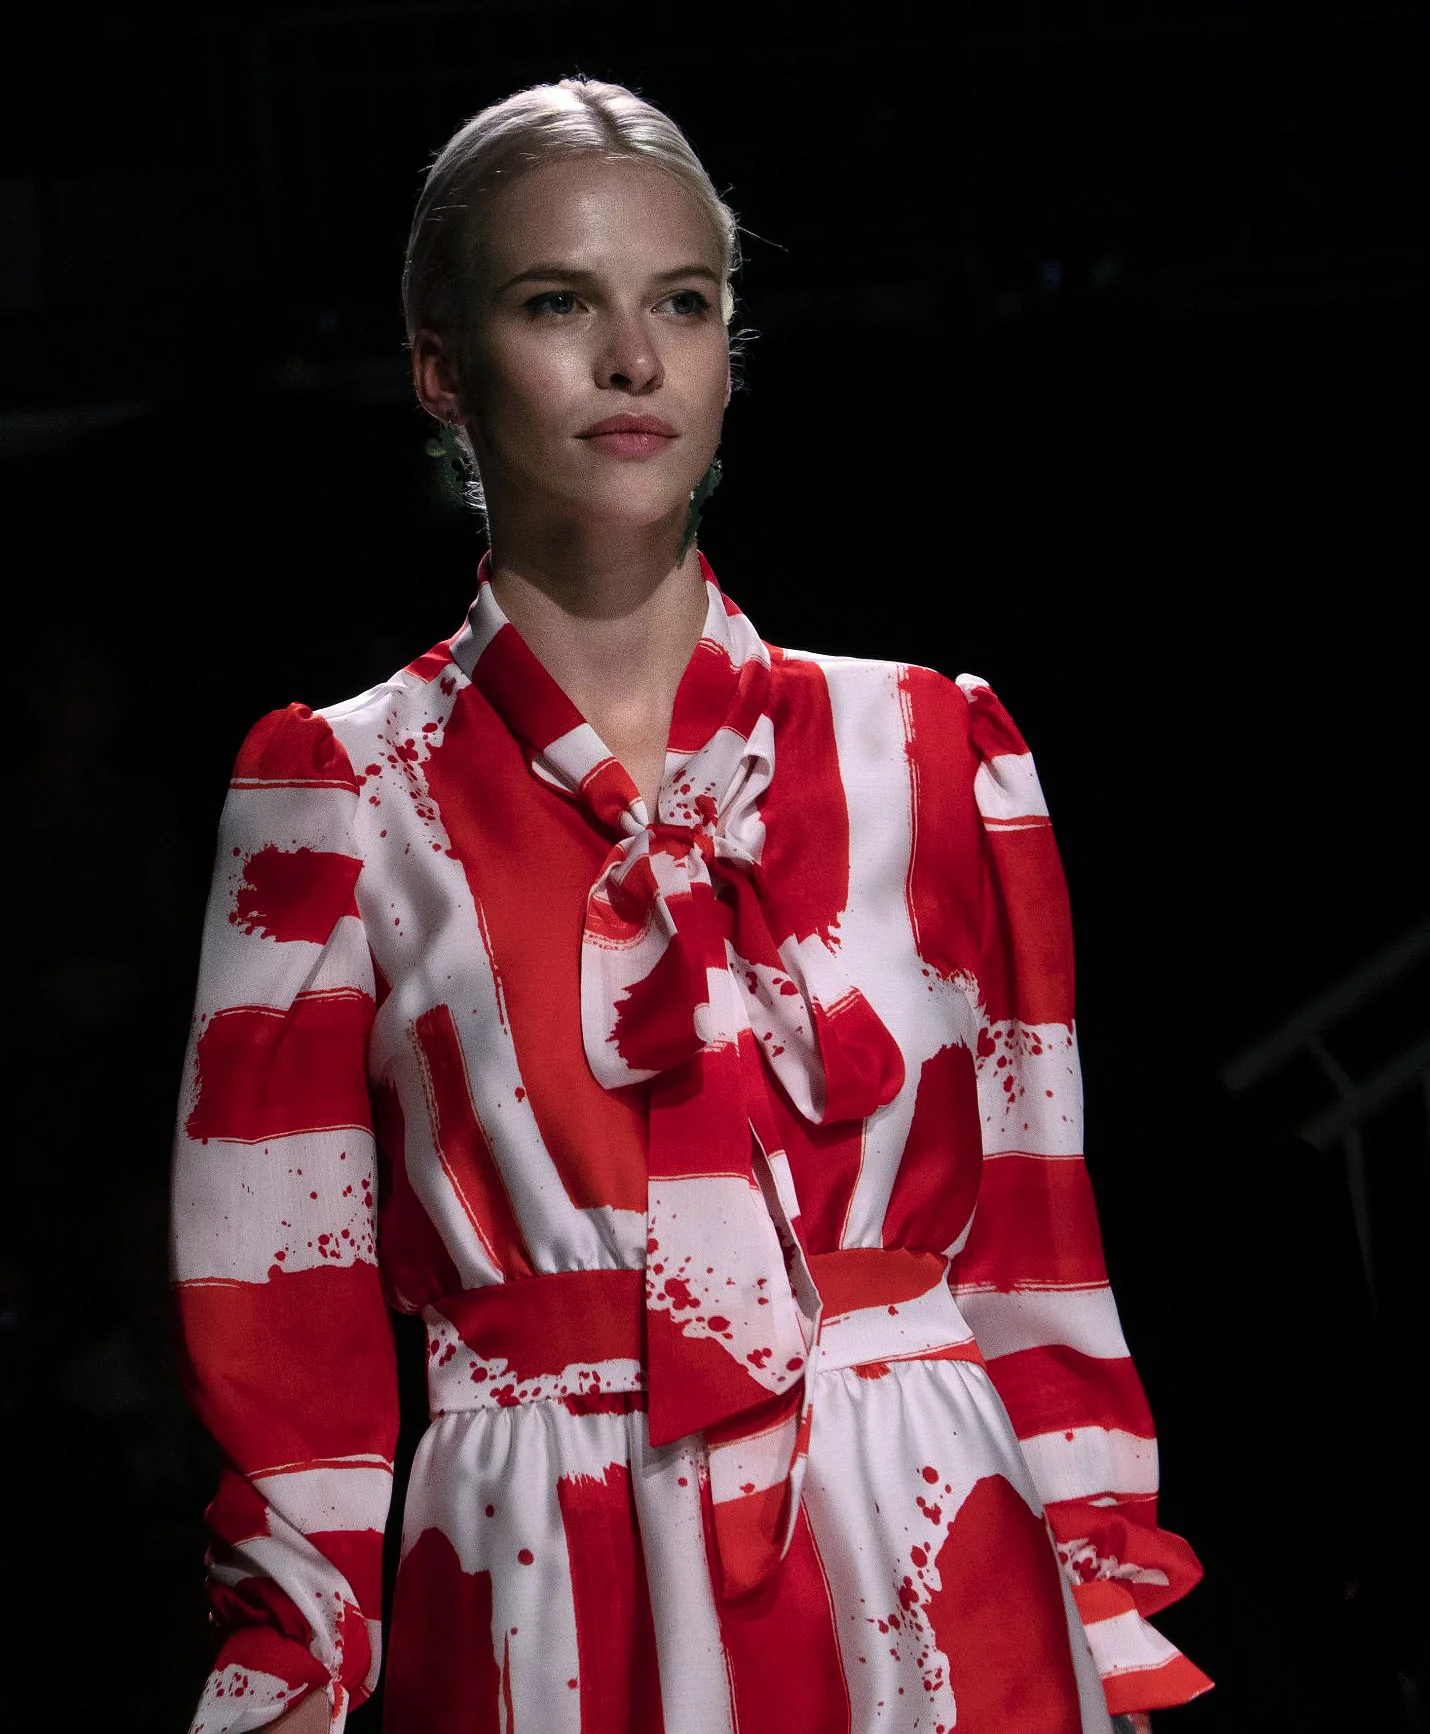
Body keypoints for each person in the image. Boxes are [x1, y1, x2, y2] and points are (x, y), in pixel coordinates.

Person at [171, 76, 1209, 1734]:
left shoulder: (929, 748)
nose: (632, 360)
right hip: (547, 1572)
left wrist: (1101, 1590)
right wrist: (301, 1646)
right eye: (554, 302)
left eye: (681, 303)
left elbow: (1032, 1234)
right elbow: (278, 1287)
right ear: (440, 365)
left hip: (939, 1547)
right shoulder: (340, 790)